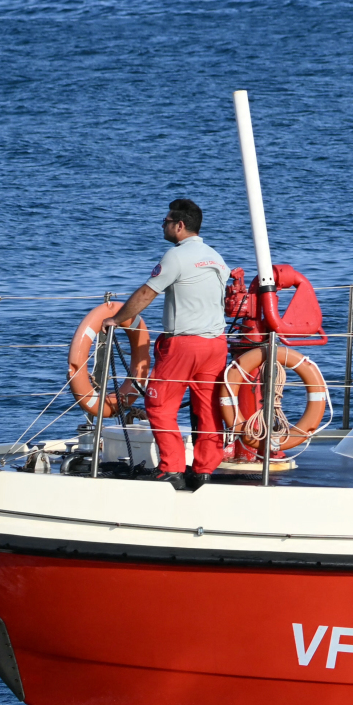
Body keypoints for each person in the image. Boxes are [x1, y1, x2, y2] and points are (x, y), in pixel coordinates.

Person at [111, 198, 231, 489]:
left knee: (159, 405)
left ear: (179, 226)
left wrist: (116, 319)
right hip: (216, 344)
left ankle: (172, 469)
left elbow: (146, 293)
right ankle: (204, 470)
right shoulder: (216, 257)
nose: (162, 226)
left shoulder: (175, 256)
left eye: (165, 222)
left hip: (183, 345)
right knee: (208, 409)